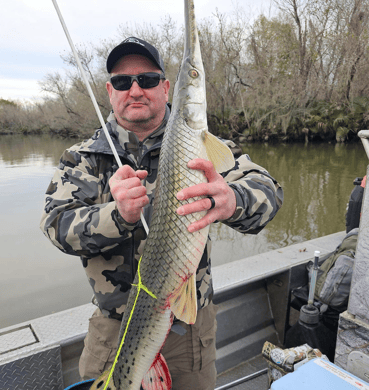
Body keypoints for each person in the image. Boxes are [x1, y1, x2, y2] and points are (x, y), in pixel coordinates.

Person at [40, 37, 283, 389]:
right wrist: (117, 215)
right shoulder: (83, 158)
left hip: (190, 331)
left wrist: (233, 200)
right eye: (123, 82)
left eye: (148, 80)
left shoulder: (203, 147)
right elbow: (55, 226)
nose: (135, 89)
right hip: (114, 332)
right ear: (110, 91)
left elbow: (269, 192)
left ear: (167, 88)